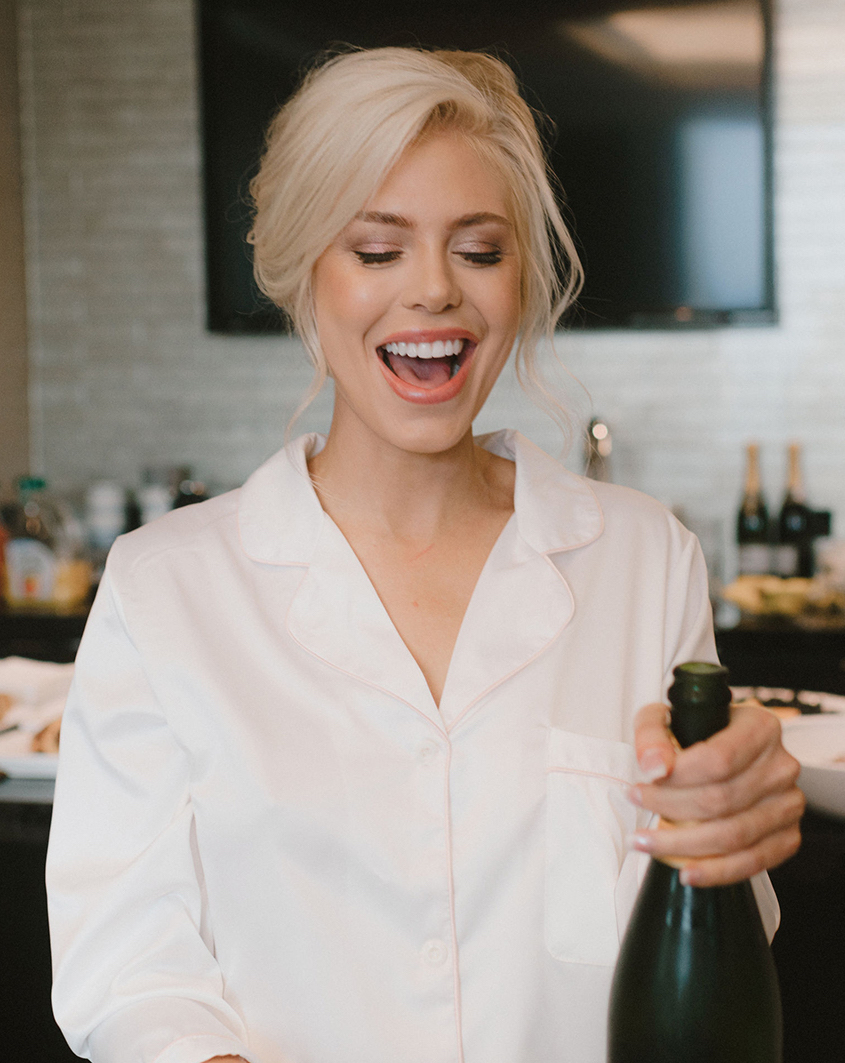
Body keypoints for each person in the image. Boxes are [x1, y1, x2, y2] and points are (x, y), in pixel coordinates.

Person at [46, 48, 803, 1063]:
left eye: (479, 250)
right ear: (303, 269)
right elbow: (126, 970)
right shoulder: (163, 588)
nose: (435, 291)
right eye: (377, 250)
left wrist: (730, 824)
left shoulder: (641, 559)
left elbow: (708, 928)